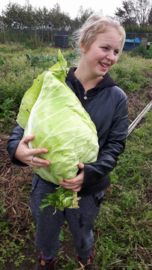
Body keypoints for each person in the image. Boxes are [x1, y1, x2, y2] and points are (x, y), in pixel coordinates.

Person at [6, 13, 128, 270]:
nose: (111, 57)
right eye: (105, 47)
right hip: (46, 182)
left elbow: (115, 146)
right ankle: (47, 259)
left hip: (88, 188)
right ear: (83, 45)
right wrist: (15, 148)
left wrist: (90, 174)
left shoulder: (117, 97)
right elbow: (24, 122)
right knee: (46, 231)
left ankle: (85, 259)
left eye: (117, 51)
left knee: (83, 232)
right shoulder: (52, 82)